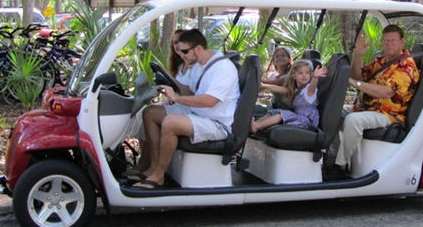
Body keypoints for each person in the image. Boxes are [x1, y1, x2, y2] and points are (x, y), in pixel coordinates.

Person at [133, 29, 240, 189]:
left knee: (170, 122)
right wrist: (169, 84)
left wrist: (176, 99)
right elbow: (189, 92)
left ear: (197, 49)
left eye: (184, 51)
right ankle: (153, 167)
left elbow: (210, 101)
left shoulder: (222, 68)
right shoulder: (197, 65)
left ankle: (159, 175)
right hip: (198, 114)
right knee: (150, 113)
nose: (181, 55)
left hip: (216, 123)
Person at [329, 24, 420, 178]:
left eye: (393, 40)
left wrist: (355, 84)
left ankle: (340, 166)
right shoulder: (381, 61)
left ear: (402, 42)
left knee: (353, 120)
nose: (389, 44)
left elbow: (386, 92)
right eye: (386, 41)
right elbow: (359, 76)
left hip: (389, 115)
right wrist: (358, 56)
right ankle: (331, 158)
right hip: (368, 109)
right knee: (333, 112)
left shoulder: (406, 67)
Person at [124, 29, 188, 179]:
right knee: (142, 112)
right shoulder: (179, 66)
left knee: (150, 113)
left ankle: (152, 166)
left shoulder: (193, 65)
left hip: (188, 108)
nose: (177, 46)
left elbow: (188, 92)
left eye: (181, 42)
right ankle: (144, 162)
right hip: (178, 104)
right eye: (175, 42)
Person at [251, 60, 328, 133]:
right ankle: (256, 124)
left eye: (307, 73)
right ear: (294, 76)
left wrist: (315, 78)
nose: (304, 75)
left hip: (307, 121)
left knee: (282, 114)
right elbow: (279, 89)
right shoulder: (296, 90)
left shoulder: (308, 89)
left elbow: (312, 89)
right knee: (274, 111)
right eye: (300, 73)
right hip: (299, 117)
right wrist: (264, 85)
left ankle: (257, 126)